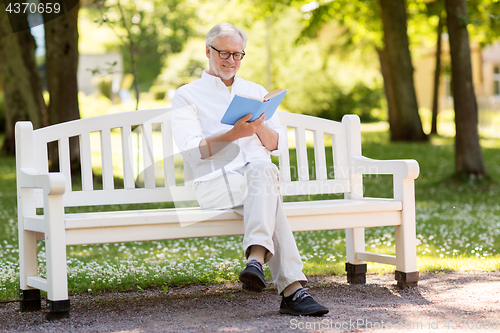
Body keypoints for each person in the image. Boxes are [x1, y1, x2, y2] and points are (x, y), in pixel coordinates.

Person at [171, 22, 329, 316]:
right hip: (214, 184)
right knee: (267, 185)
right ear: (208, 51)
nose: (231, 61)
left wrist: (259, 126)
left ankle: (260, 263)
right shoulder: (186, 95)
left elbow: (277, 146)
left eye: (238, 55)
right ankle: (286, 286)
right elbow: (193, 153)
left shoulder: (255, 91)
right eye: (225, 53)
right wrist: (234, 133)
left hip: (258, 181)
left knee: (262, 171)